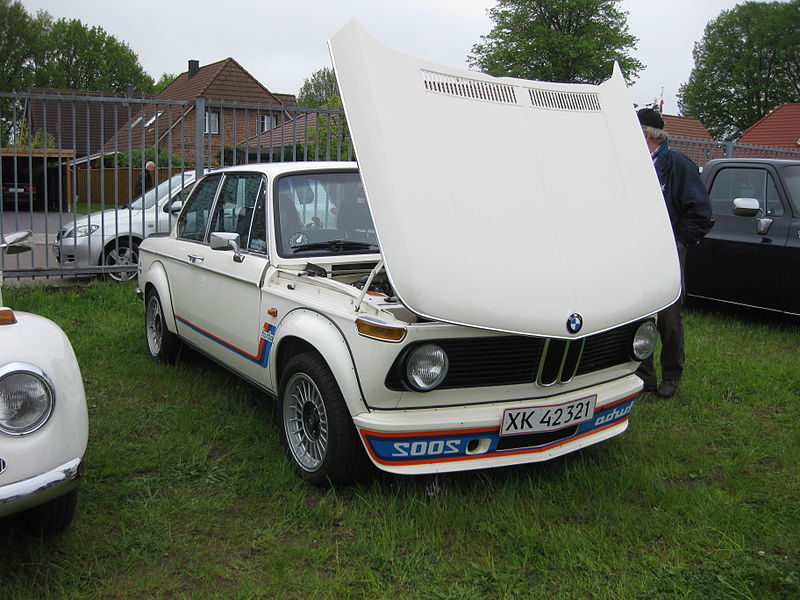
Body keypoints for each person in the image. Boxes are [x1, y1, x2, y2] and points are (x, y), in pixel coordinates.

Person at [636, 108, 713, 398]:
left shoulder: (678, 164)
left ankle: (671, 375)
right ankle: (644, 376)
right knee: (640, 314)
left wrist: (676, 241)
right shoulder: (634, 165)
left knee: (668, 317)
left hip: (668, 252)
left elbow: (701, 214)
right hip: (638, 252)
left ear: (645, 134)